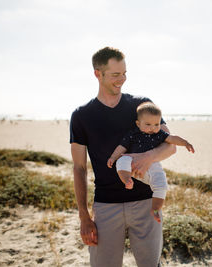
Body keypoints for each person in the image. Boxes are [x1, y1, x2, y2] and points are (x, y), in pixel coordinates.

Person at [70, 47, 176, 267]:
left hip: (146, 203)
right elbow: (79, 167)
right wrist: (84, 217)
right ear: (98, 74)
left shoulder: (142, 106)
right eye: (115, 75)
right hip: (106, 206)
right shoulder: (82, 116)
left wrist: (149, 156)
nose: (122, 79)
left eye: (124, 73)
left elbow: (170, 146)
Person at [107, 102, 194, 223]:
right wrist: (113, 157)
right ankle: (127, 180)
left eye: (156, 124)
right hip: (132, 163)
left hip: (152, 165)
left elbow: (172, 138)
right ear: (138, 124)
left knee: (161, 182)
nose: (152, 128)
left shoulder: (159, 134)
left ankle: (155, 208)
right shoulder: (133, 134)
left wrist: (185, 143)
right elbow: (122, 147)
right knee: (122, 160)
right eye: (148, 124)